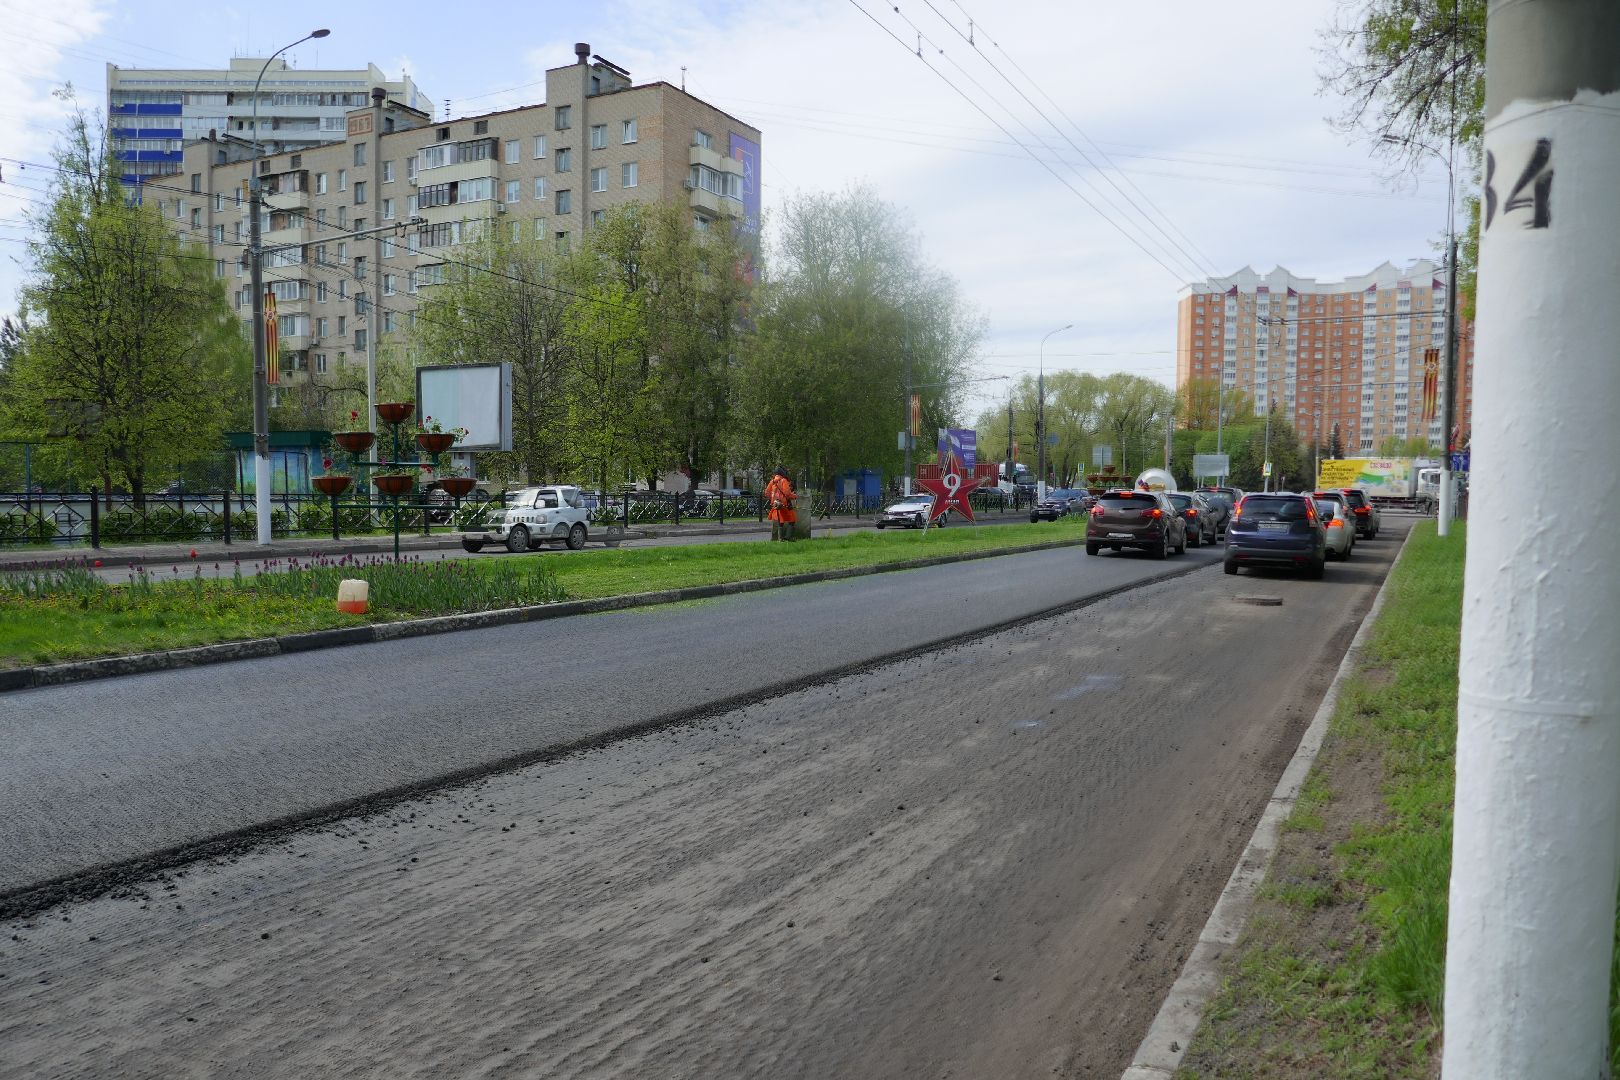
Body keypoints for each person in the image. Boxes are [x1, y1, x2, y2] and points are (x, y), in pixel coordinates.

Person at [765, 467, 797, 541]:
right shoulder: (784, 480)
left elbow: (767, 493)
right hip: (783, 504)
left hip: (775, 504)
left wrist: (773, 499)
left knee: (780, 520)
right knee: (792, 519)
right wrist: (795, 496)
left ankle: (780, 539)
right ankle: (787, 537)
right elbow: (787, 494)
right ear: (782, 473)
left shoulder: (772, 482)